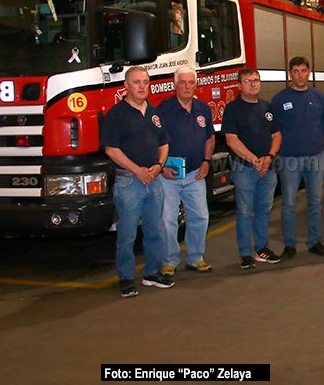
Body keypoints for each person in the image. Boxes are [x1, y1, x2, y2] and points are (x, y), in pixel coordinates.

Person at [100, 66, 171, 298]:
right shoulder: (116, 114)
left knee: (154, 231)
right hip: (129, 182)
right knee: (127, 234)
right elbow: (111, 149)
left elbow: (164, 143)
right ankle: (126, 278)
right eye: (137, 82)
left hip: (154, 181)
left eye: (146, 82)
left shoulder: (154, 112)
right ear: (126, 86)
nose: (142, 86)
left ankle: (152, 273)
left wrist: (159, 166)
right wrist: (137, 171)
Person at [157, 66, 216, 276]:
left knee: (200, 217)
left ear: (196, 85)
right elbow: (156, 140)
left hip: (195, 174)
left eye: (191, 83)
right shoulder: (163, 109)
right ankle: (169, 261)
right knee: (168, 220)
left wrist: (206, 161)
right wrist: (161, 167)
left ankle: (195, 258)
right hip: (169, 176)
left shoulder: (203, 109)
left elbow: (210, 137)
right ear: (175, 85)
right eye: (183, 82)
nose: (187, 87)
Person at [223, 68, 282, 269]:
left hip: (268, 167)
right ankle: (245, 253)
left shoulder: (268, 107)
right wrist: (255, 160)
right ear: (239, 85)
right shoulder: (232, 109)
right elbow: (231, 140)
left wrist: (269, 158)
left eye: (256, 80)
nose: (253, 84)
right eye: (248, 81)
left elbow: (277, 136)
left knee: (264, 210)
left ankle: (261, 248)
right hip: (244, 169)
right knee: (245, 211)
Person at [272, 56, 324, 258]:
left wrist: (314, 142)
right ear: (290, 74)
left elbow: (323, 122)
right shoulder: (279, 100)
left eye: (303, 71)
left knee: (315, 202)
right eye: (295, 71)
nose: (300, 75)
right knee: (289, 204)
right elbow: (274, 128)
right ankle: (290, 245)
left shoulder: (317, 96)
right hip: (289, 159)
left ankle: (315, 242)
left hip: (315, 157)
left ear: (309, 72)